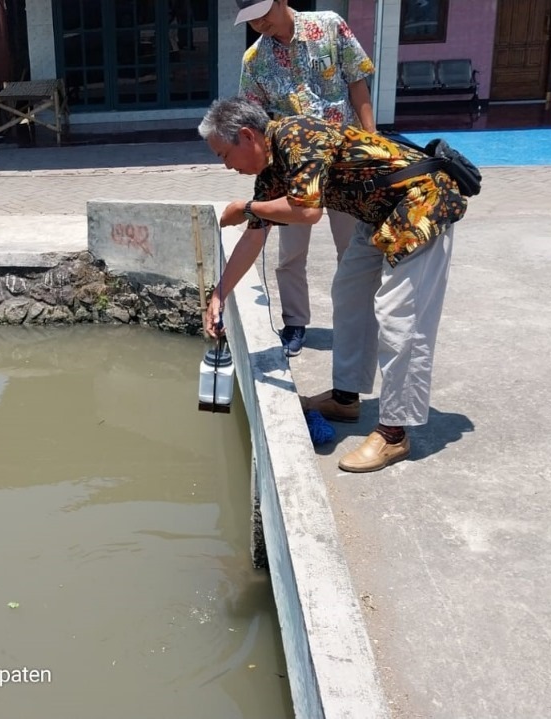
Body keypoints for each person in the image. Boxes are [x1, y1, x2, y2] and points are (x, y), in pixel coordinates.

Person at [199, 97, 467, 473]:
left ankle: (394, 434)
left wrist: (247, 207)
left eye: (224, 154)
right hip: (377, 214)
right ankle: (345, 398)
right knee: (349, 293)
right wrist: (219, 295)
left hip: (420, 203)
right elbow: (254, 236)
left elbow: (307, 212)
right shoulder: (271, 171)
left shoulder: (296, 136)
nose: (227, 166)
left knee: (400, 316)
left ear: (247, 136)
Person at [234, 0, 377, 357]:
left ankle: (355, 322)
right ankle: (295, 321)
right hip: (292, 169)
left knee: (354, 249)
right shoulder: (254, 61)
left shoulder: (329, 27)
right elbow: (255, 121)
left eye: (263, 13)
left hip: (344, 161)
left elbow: (357, 84)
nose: (259, 24)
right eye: (251, 20)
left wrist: (371, 143)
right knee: (291, 253)